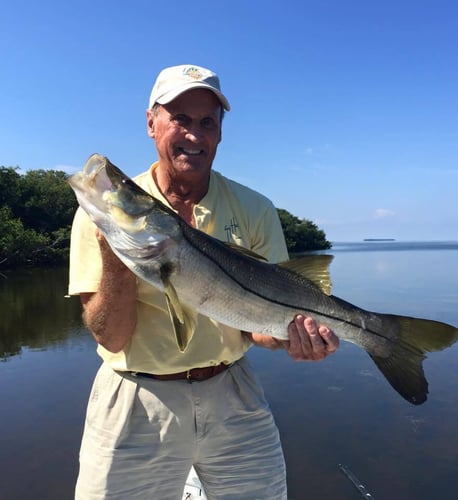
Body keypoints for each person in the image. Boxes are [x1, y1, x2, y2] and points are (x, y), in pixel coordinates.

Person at [69, 64, 340, 500]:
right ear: (151, 123)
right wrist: (114, 252)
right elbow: (112, 337)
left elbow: (257, 329)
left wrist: (293, 339)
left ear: (219, 134)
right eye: (180, 119)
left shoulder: (254, 207)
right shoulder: (97, 217)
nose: (194, 135)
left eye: (207, 123)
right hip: (135, 397)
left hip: (233, 391)